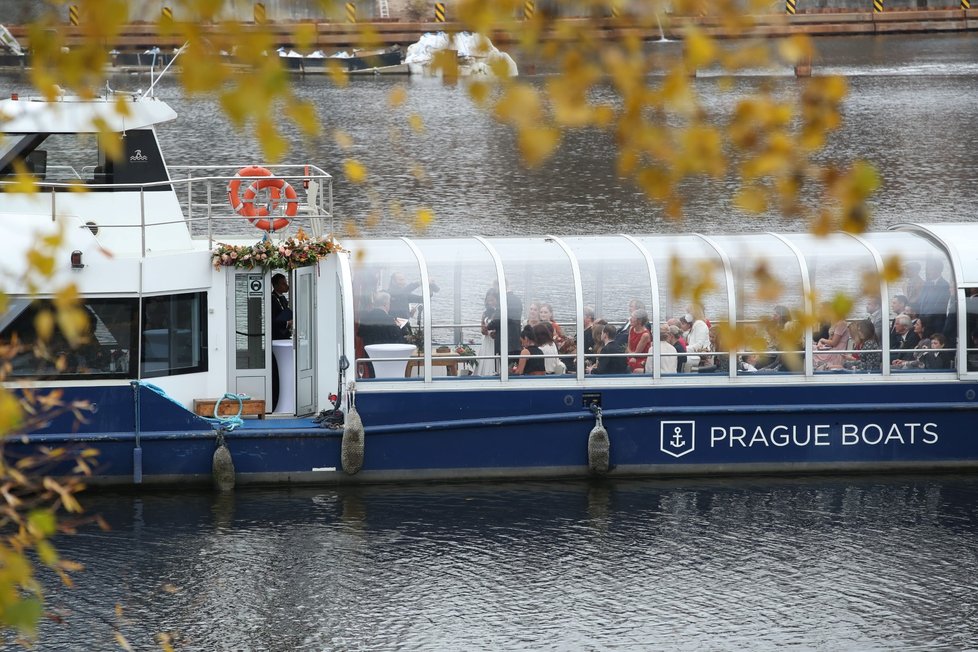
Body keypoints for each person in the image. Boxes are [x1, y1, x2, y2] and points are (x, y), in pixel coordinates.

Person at [475, 288, 499, 376]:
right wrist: (484, 330)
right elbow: (482, 328)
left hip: (494, 341)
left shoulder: (499, 313)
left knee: (493, 360)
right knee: (484, 360)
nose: (490, 302)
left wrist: (493, 333)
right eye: (488, 300)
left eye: (492, 300)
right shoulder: (485, 313)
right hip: (486, 340)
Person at [271, 273, 292, 340]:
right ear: (276, 285)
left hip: (284, 334)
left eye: (286, 283)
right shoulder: (272, 299)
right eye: (283, 284)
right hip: (277, 335)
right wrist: (288, 323)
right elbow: (273, 319)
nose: (287, 286)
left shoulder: (282, 298)